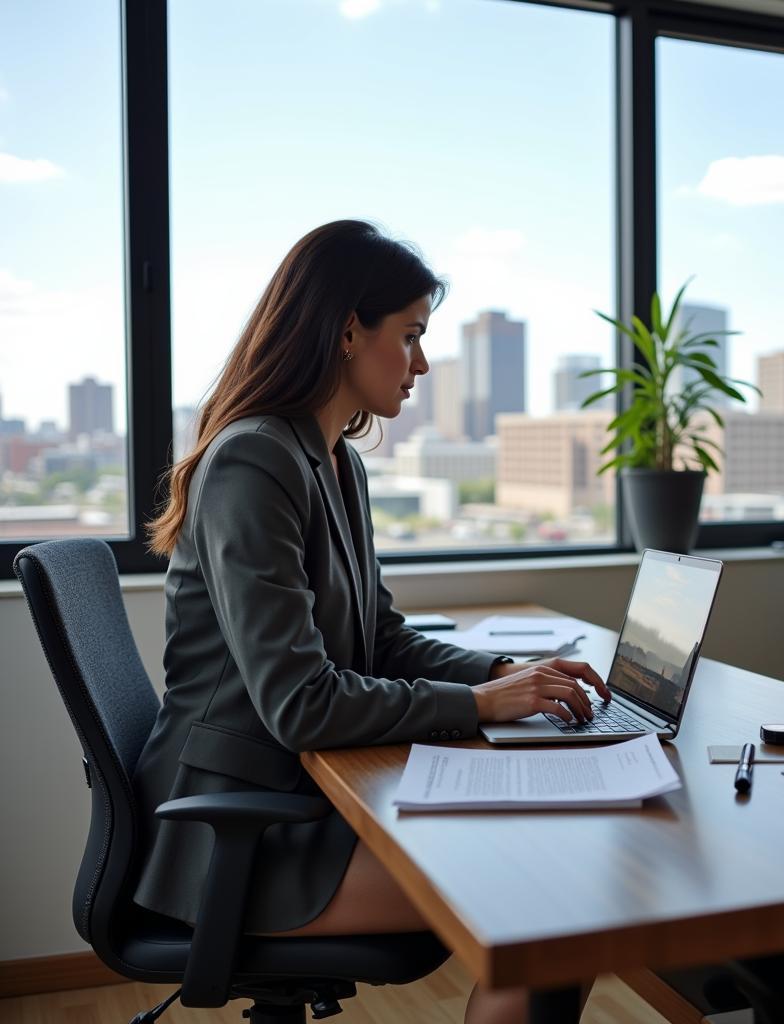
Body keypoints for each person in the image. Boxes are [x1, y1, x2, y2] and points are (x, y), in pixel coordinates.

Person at [134, 220, 611, 1024]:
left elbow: (381, 638)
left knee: (557, 884)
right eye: (412, 336)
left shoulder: (335, 460)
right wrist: (482, 707)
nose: (424, 363)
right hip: (238, 834)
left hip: (302, 798)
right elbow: (300, 703)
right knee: (552, 905)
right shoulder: (256, 460)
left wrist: (497, 676)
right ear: (348, 331)